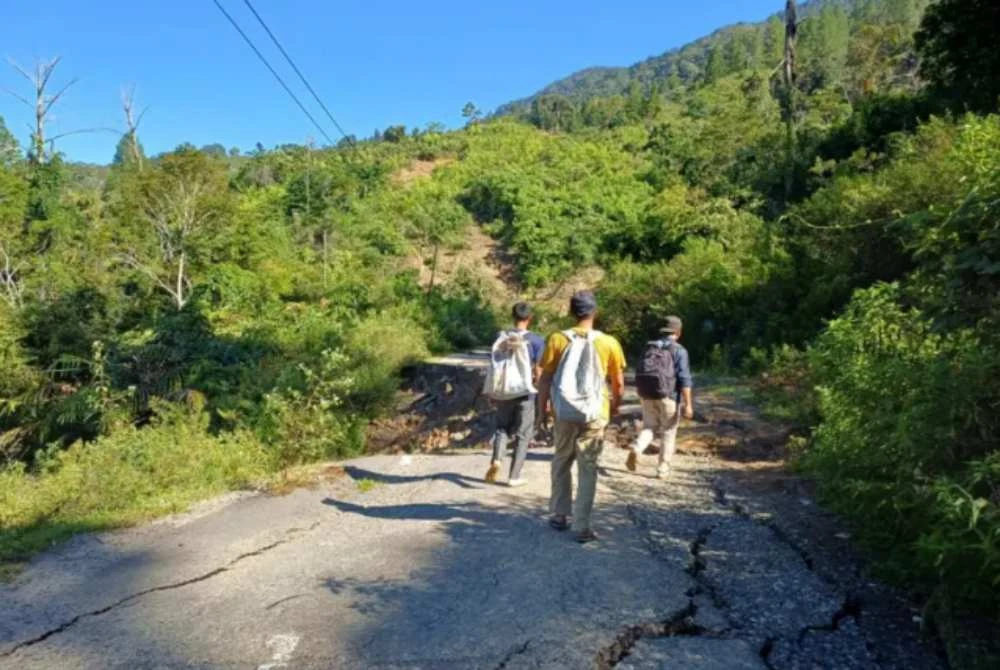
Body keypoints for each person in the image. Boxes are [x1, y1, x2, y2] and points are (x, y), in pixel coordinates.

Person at [537, 291, 625, 543]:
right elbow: (617, 383)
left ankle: (559, 515)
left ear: (571, 312)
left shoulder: (556, 339)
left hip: (563, 411)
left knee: (561, 460)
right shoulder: (609, 343)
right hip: (595, 412)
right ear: (595, 312)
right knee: (588, 467)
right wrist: (615, 405)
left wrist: (542, 408)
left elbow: (545, 378)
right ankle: (582, 525)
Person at [485, 302, 545, 486]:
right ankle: (514, 476)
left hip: (504, 390)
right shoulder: (536, 341)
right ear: (529, 318)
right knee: (523, 433)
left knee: (502, 427)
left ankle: (497, 459)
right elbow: (539, 370)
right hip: (525, 392)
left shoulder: (501, 336)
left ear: (513, 316)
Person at [626, 315, 694, 478]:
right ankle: (663, 468)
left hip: (648, 394)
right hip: (669, 396)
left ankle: (637, 447)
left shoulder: (649, 347)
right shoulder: (679, 350)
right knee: (669, 431)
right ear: (678, 332)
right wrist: (688, 404)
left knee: (649, 427)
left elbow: (639, 371)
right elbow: (684, 378)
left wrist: (640, 391)